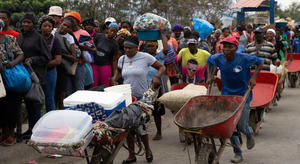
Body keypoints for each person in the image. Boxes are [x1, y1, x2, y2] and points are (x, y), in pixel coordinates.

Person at [206, 36, 263, 163]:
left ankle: (248, 134)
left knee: (242, 126)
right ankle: (238, 153)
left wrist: (253, 78)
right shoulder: (218, 57)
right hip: (226, 94)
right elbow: (209, 61)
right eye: (224, 46)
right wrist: (210, 75)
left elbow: (260, 62)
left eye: (229, 47)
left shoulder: (244, 58)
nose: (226, 49)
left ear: (235, 48)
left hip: (243, 95)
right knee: (228, 127)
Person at [111, 36, 165, 164]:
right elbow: (118, 72)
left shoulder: (145, 57)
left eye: (130, 48)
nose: (127, 50)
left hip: (142, 97)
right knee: (128, 126)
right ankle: (131, 155)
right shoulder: (122, 59)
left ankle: (147, 150)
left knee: (141, 126)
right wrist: (114, 79)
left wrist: (157, 77)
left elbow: (162, 67)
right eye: (125, 48)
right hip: (127, 97)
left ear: (136, 48)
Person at [17, 13, 51, 139]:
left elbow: (47, 57)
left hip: (35, 75)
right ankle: (30, 129)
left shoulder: (38, 38)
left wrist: (34, 59)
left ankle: (37, 131)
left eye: (28, 22)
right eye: (24, 22)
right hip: (22, 75)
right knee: (27, 103)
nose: (25, 24)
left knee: (35, 103)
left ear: (33, 24)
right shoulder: (20, 36)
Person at [144, 25, 171, 141]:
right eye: (148, 46)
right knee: (143, 112)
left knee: (156, 112)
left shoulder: (159, 57)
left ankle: (159, 132)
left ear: (156, 48)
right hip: (145, 88)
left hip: (156, 88)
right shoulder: (143, 57)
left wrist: (162, 34)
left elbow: (166, 49)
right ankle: (142, 133)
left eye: (152, 46)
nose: (150, 48)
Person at [0, 19, 24, 146]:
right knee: (1, 106)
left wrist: (12, 63)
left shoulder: (9, 39)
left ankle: (11, 134)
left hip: (10, 77)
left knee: (12, 105)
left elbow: (20, 54)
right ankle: (3, 133)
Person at [64, 12, 96, 95]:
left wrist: (84, 47)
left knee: (79, 90)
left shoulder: (82, 33)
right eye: (68, 19)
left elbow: (93, 49)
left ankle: (80, 107)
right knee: (68, 90)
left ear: (78, 21)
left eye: (72, 19)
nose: (70, 21)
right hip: (67, 64)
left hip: (79, 64)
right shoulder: (65, 31)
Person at [39, 15, 62, 112]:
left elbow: (58, 60)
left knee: (49, 97)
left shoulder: (55, 41)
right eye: (45, 25)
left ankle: (50, 121)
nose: (47, 28)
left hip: (50, 72)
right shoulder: (37, 39)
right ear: (40, 26)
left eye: (49, 26)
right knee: (37, 97)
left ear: (52, 27)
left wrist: (43, 65)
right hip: (36, 73)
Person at [55, 17, 77, 109]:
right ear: (60, 23)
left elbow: (73, 57)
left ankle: (61, 112)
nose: (64, 27)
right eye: (64, 24)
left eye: (68, 27)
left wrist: (60, 54)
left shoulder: (70, 38)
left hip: (62, 68)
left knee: (61, 93)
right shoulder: (52, 32)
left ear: (70, 29)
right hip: (51, 66)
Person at [91, 22, 119, 87]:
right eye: (111, 30)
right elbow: (91, 46)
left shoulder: (115, 44)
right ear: (107, 30)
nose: (112, 33)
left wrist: (114, 75)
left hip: (105, 66)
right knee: (93, 85)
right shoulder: (98, 36)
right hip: (94, 65)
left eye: (114, 32)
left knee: (105, 86)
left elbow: (114, 60)